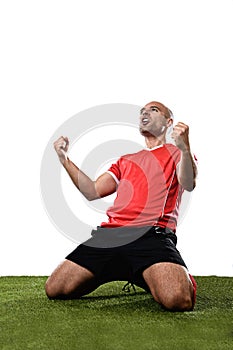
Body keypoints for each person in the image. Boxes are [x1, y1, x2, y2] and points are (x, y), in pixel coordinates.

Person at [45, 101, 198, 311]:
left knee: (178, 300)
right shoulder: (126, 160)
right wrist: (64, 159)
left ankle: (149, 271)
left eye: (154, 110)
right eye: (142, 111)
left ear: (168, 122)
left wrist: (185, 148)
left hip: (151, 234)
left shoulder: (177, 152)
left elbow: (189, 183)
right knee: (55, 289)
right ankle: (125, 267)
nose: (145, 112)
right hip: (111, 236)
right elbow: (92, 191)